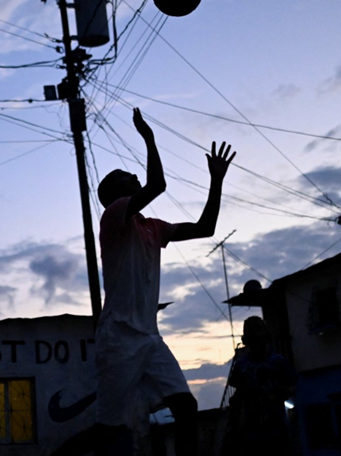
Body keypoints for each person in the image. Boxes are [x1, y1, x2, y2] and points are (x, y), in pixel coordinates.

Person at [93, 107, 235, 456]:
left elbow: (206, 228)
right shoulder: (114, 216)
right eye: (125, 175)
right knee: (111, 427)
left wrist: (216, 180)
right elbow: (158, 184)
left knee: (185, 407)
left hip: (149, 338)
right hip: (118, 337)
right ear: (115, 193)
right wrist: (149, 138)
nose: (132, 175)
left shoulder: (152, 227)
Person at [222, 317, 297, 456]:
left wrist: (278, 394)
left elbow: (293, 387)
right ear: (245, 338)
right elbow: (238, 394)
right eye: (249, 329)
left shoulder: (278, 362)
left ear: (266, 335)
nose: (253, 333)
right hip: (250, 432)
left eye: (257, 328)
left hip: (276, 428)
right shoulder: (241, 366)